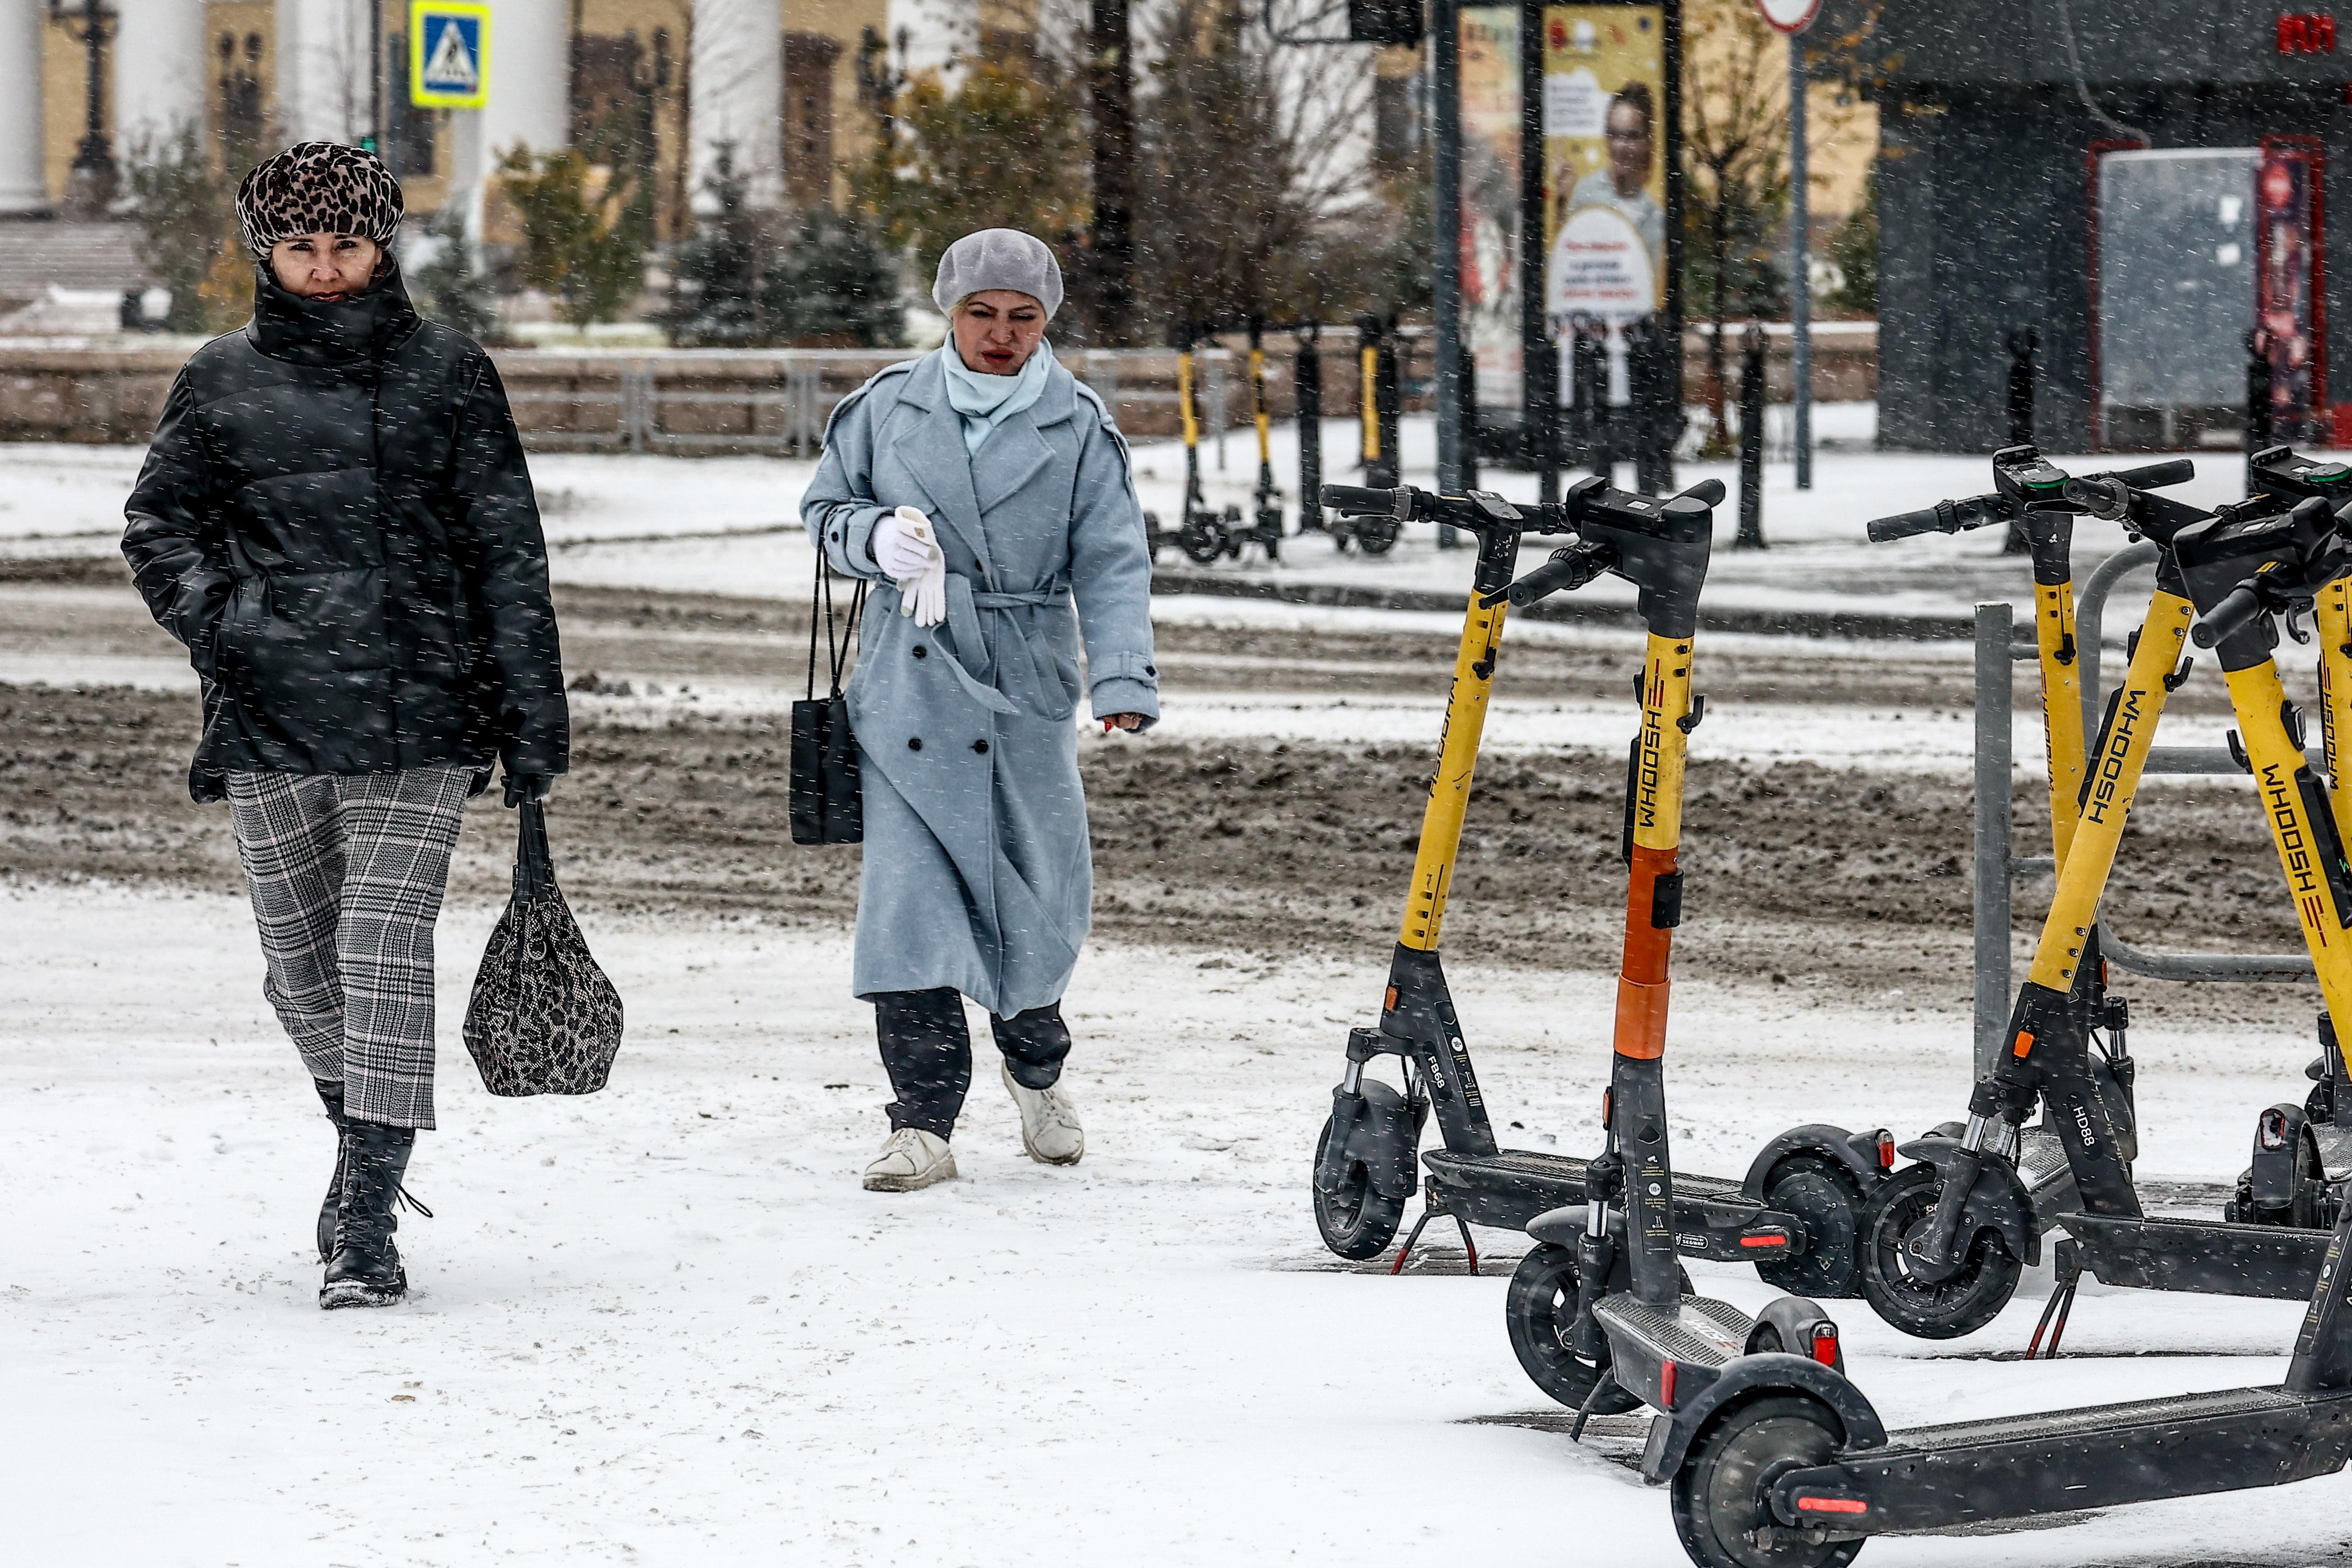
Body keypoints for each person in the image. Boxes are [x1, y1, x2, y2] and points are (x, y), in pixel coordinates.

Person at [121, 141, 568, 1308]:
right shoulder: (218, 377)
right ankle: (359, 1132)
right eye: (301, 246)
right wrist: (233, 625)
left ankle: (366, 1205)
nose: (326, 268)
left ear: (384, 245)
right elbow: (158, 526)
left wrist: (531, 721)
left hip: (423, 706)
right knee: (300, 968)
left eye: (347, 244)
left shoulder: (450, 372)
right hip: (270, 713)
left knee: (380, 946)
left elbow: (506, 553)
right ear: (264, 249)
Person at [801, 228, 1158, 1193]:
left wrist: (1122, 677)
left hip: (1024, 681)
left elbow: (1114, 558)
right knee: (909, 914)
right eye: (981, 314)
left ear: (1046, 321)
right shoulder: (884, 408)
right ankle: (921, 1122)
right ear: (948, 312)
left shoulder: (1078, 424)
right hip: (907, 688)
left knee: (1037, 908)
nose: (1000, 335)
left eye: (1022, 317)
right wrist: (877, 536)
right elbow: (823, 514)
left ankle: (1036, 1066)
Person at [1563, 82, 1666, 275]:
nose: (1620, 146)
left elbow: (1647, 284)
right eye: (1614, 134)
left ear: (1648, 141)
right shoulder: (1586, 193)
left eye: (1632, 136)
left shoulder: (1655, 218)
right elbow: (1565, 264)